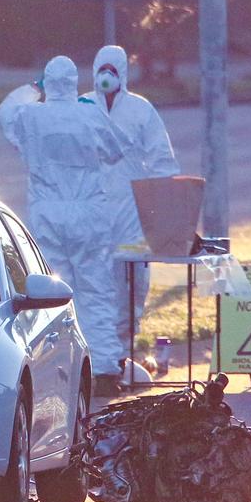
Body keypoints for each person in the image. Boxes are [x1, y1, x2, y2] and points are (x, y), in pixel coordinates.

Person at [0, 56, 143, 396]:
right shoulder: (90, 113)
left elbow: (6, 111)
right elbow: (116, 150)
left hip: (47, 211)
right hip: (88, 211)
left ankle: (57, 371)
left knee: (51, 294)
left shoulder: (29, 115)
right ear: (75, 82)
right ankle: (105, 368)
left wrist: (33, 89)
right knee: (95, 289)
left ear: (48, 83)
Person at [81, 45, 181, 359]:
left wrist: (163, 209)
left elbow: (163, 161)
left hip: (132, 211)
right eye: (102, 69)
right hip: (91, 211)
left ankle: (122, 355)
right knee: (92, 286)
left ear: (122, 73)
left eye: (112, 69)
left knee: (132, 283)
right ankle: (95, 359)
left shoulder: (140, 110)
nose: (106, 76)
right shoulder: (80, 106)